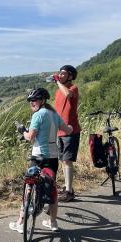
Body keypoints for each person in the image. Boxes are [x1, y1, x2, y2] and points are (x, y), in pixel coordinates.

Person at [10, 88, 73, 233]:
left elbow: (30, 137)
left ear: (42, 100)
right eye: (31, 101)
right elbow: (68, 130)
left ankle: (20, 222)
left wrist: (22, 131)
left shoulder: (38, 115)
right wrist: (70, 126)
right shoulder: (54, 114)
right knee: (51, 188)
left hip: (38, 156)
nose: (32, 103)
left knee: (28, 187)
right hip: (53, 157)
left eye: (35, 100)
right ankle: (53, 222)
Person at [51, 64, 81, 202]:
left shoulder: (73, 88)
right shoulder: (58, 91)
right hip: (59, 131)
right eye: (59, 73)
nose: (60, 75)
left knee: (67, 160)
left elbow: (68, 94)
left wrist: (57, 81)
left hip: (71, 130)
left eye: (63, 73)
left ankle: (69, 192)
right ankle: (67, 187)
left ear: (70, 76)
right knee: (63, 160)